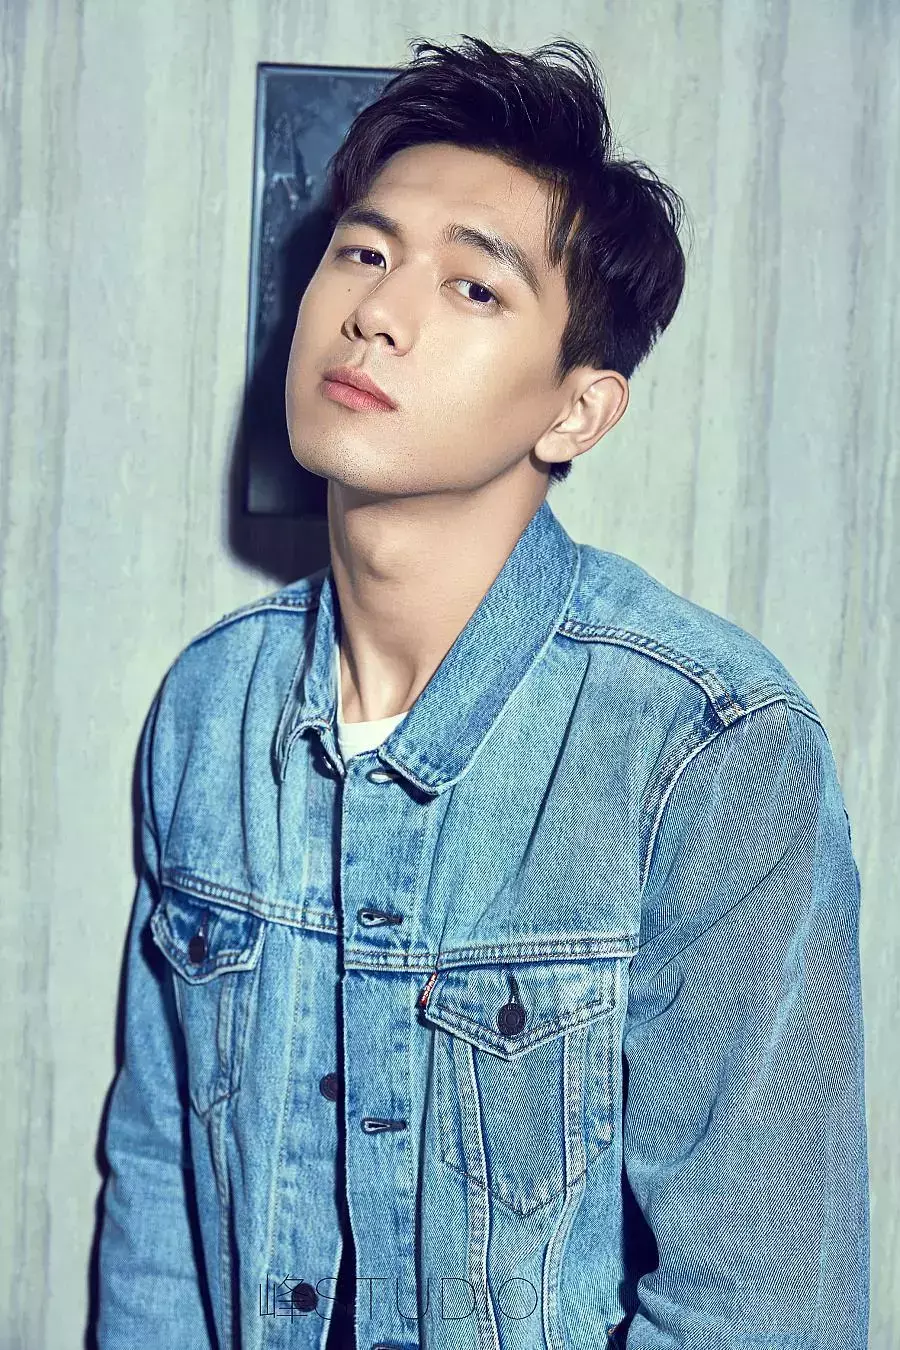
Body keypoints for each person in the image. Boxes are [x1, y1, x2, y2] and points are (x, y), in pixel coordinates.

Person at [96, 33, 869, 1350]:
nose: (377, 312)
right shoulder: (212, 706)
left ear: (577, 413)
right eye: (364, 251)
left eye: (472, 286)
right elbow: (161, 1214)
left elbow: (759, 1311)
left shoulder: (708, 749)